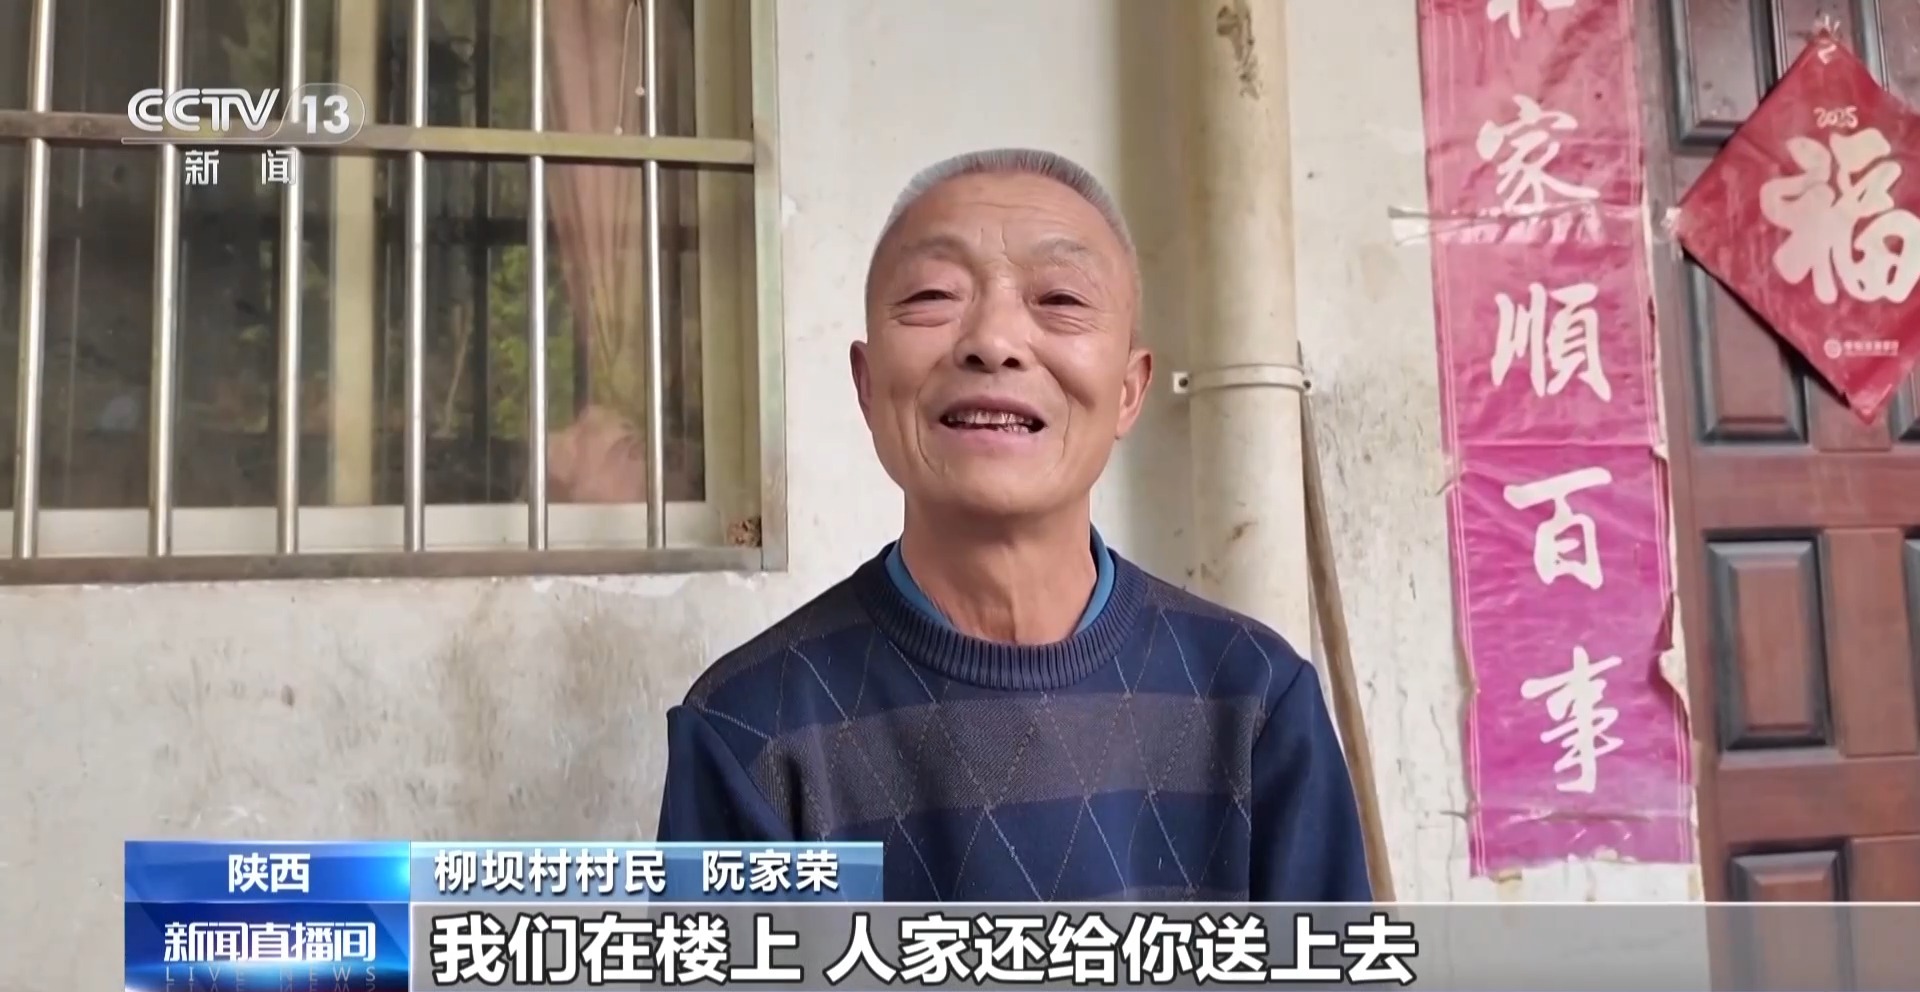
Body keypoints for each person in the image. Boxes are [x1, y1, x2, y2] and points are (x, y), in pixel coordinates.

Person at [656, 148, 1372, 902]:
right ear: (867, 385)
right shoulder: (750, 731)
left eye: (1060, 298)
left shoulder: (1257, 702)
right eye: (934, 294)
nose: (993, 341)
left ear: (1129, 392)